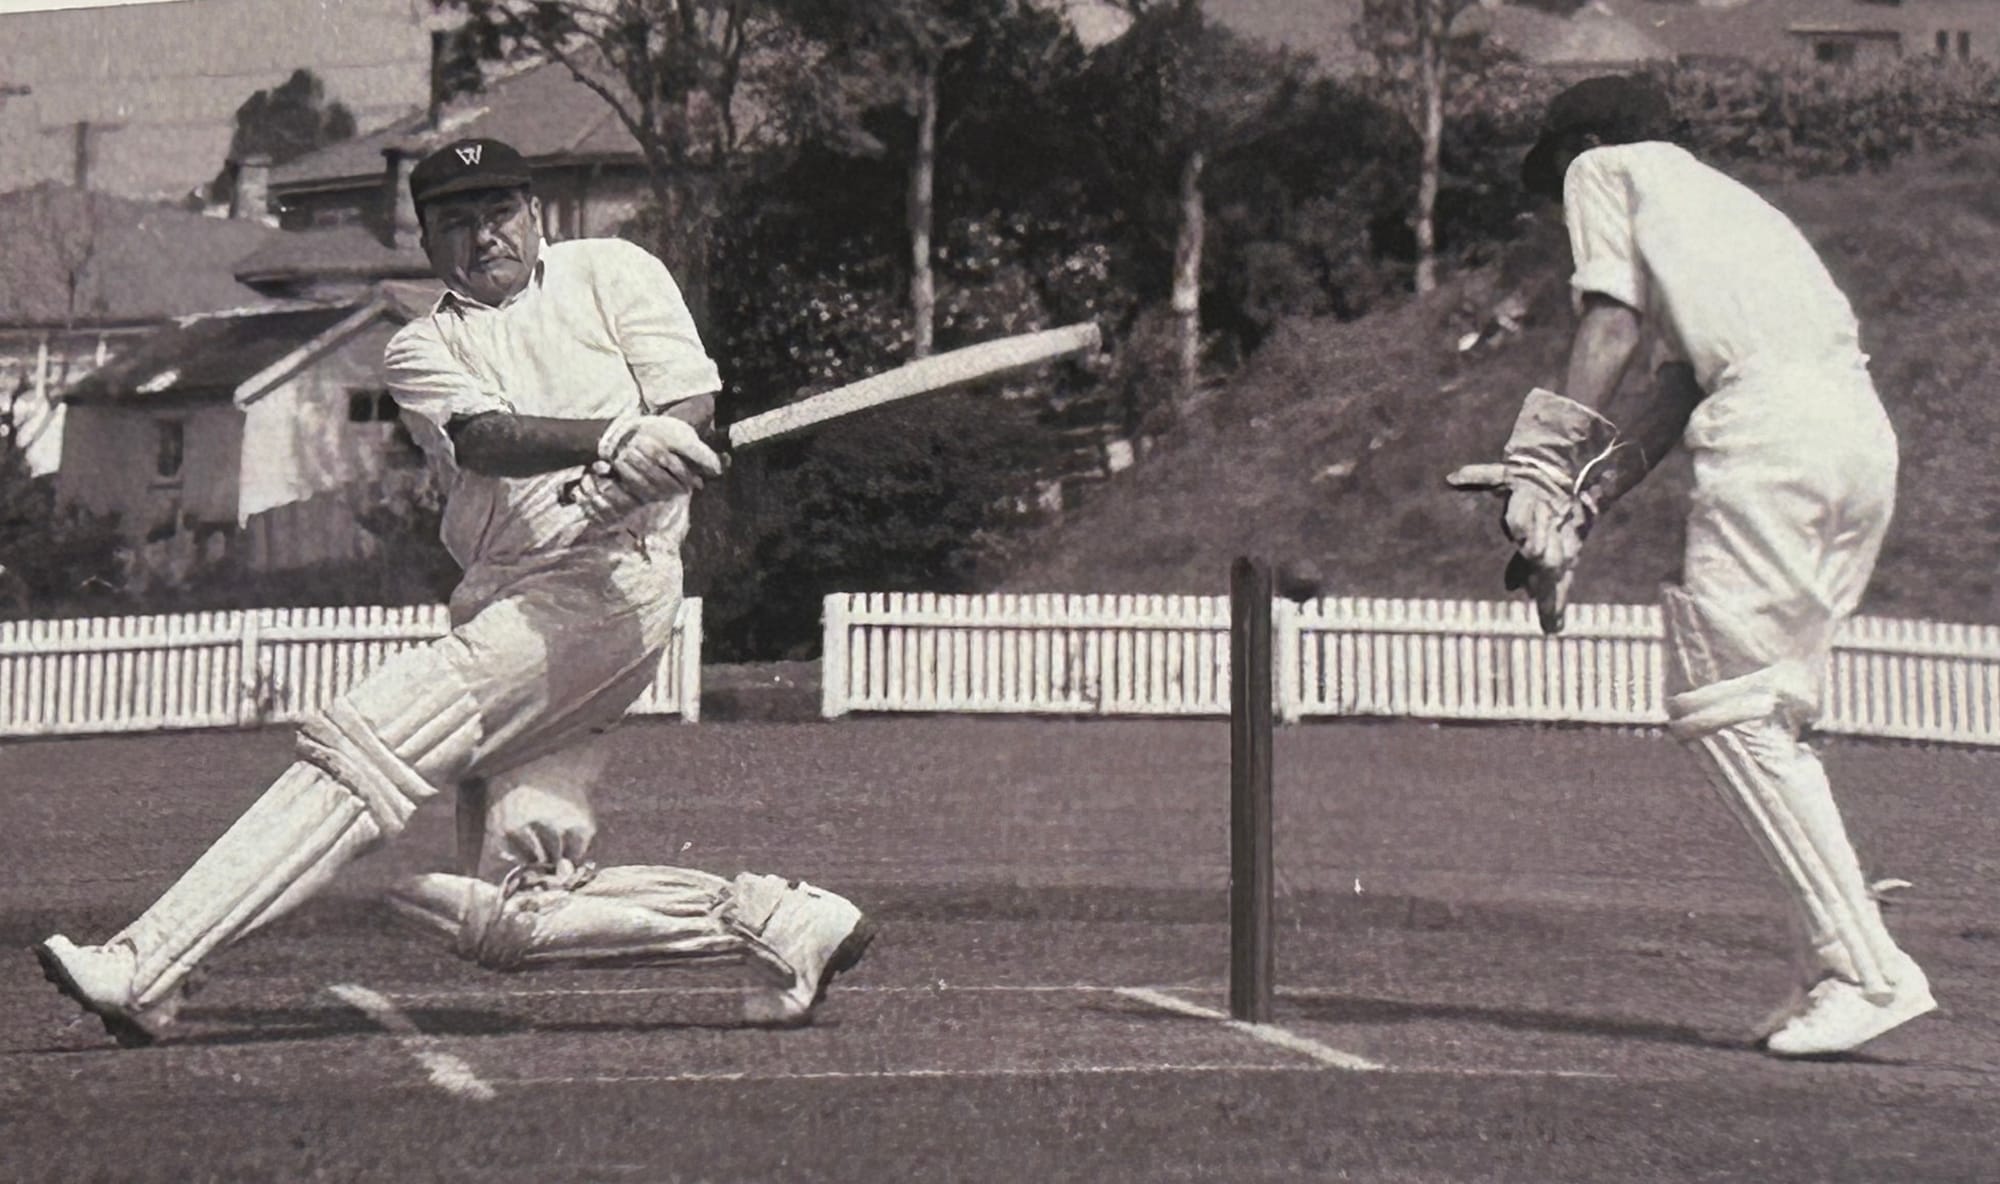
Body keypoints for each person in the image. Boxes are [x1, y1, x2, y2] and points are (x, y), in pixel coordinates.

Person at [35, 137, 873, 1046]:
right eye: (456, 223)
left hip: (607, 589)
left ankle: (146, 964)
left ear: (537, 215)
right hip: (513, 597)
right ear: (429, 242)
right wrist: (610, 441)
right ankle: (778, 923)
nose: (484, 239)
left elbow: (687, 407)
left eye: (500, 214)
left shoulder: (615, 272)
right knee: (510, 910)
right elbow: (488, 437)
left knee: (362, 744)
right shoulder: (418, 346)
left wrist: (649, 453)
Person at [1449, 76, 1934, 1056]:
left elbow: (1611, 327)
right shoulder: (1731, 212)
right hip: (1851, 438)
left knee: (1722, 699)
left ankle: (1863, 968)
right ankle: (1829, 965)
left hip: (1773, 431)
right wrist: (1581, 504)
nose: (1558, 203)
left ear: (1583, 144)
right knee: (1768, 704)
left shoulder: (1603, 167)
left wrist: (1537, 461)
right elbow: (1672, 388)